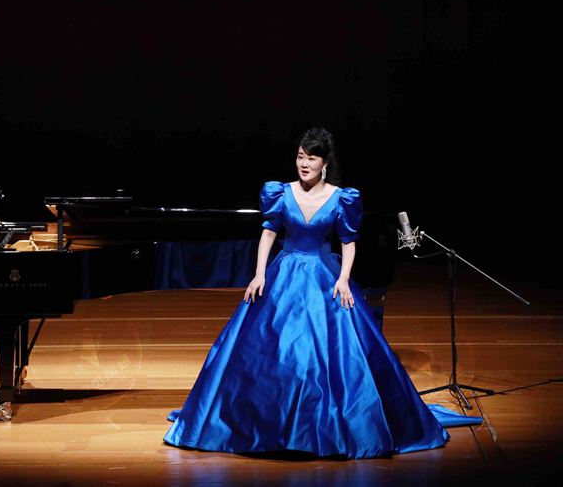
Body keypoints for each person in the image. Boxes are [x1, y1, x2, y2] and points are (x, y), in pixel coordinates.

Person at [164, 128, 479, 459]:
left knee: (330, 353)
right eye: (300, 157)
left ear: (325, 163)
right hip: (285, 274)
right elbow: (269, 233)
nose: (304, 164)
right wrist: (259, 273)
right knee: (273, 351)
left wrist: (343, 279)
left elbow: (348, 242)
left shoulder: (342, 198)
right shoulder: (280, 192)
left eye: (311, 158)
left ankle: (324, 426)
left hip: (324, 275)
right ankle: (267, 422)